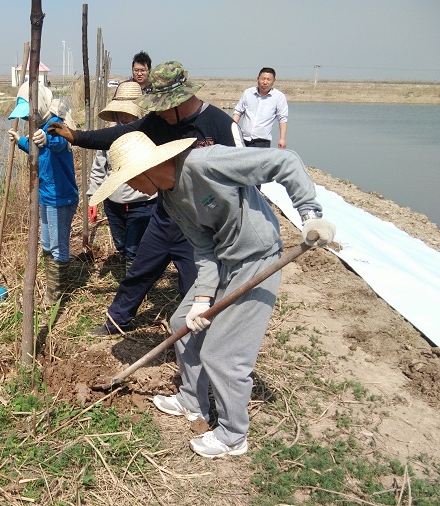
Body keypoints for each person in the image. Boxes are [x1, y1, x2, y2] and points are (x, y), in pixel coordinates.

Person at [88, 131, 336, 458]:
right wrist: (202, 300)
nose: (131, 189)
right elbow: (203, 248)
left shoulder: (206, 164)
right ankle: (193, 400)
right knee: (182, 322)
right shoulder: (169, 199)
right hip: (222, 262)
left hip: (257, 259)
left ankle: (233, 435)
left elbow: (284, 162)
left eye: (129, 180)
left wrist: (310, 215)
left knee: (223, 354)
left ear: (146, 169)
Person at [48, 61, 243, 335]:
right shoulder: (159, 120)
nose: (157, 112)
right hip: (166, 215)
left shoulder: (220, 126)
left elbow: (243, 180)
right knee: (139, 271)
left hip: (202, 225)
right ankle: (117, 321)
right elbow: (121, 134)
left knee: (196, 284)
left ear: (179, 100)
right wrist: (78, 136)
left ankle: (199, 334)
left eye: (162, 106)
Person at [8, 82, 78, 304]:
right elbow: (36, 149)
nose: (27, 119)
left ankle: (56, 295)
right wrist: (21, 141)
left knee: (57, 246)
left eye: (28, 114)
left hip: (61, 197)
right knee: (47, 243)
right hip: (46, 195)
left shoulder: (55, 123)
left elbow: (58, 142)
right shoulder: (37, 126)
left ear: (38, 106)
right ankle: (52, 288)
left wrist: (47, 139)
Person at [87, 81, 154, 269]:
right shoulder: (110, 136)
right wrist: (94, 197)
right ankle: (135, 271)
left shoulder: (149, 136)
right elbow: (99, 167)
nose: (124, 116)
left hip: (142, 202)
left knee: (133, 249)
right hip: (113, 202)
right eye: (121, 111)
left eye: (128, 112)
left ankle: (134, 282)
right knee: (121, 245)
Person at [232, 67, 289, 148]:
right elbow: (238, 112)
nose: (265, 82)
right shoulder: (248, 93)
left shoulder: (279, 97)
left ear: (273, 81)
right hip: (243, 139)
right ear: (258, 79)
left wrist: (282, 138)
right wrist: (231, 130)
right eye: (263, 79)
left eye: (268, 79)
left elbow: (282, 119)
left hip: (262, 142)